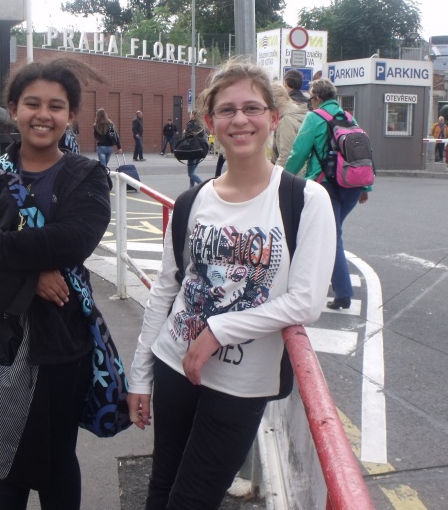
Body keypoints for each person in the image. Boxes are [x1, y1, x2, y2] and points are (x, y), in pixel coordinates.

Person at [127, 58, 336, 510]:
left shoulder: (304, 200)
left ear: (273, 118)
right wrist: (139, 375)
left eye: (252, 108)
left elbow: (306, 302)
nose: (240, 119)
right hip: (174, 361)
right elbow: (166, 290)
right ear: (211, 124)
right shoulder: (192, 201)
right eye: (227, 110)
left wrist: (220, 330)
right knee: (160, 488)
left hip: (241, 382)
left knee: (191, 501)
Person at [0, 57, 111, 510]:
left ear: (71, 115)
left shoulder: (86, 175)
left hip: (61, 339)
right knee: (3, 465)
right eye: (32, 103)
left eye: (56, 106)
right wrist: (29, 275)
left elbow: (72, 241)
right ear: (13, 109)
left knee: (57, 461)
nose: (43, 115)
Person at [285, 78, 369, 310]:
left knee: (331, 236)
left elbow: (299, 152)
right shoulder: (349, 117)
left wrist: (283, 179)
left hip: (327, 184)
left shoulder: (314, 118)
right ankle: (328, 282)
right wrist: (365, 187)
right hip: (353, 185)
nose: (311, 103)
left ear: (318, 98)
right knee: (330, 233)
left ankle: (343, 293)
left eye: (311, 99)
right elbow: (361, 152)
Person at [271, 81, 307, 174]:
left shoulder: (286, 120)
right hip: (305, 172)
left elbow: (286, 154)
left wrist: (273, 176)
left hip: (293, 175)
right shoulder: (300, 113)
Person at [182, 110, 207, 188]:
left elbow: (187, 136)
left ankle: (203, 185)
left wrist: (184, 132)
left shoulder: (191, 124)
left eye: (191, 114)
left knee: (191, 173)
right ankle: (191, 187)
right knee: (193, 171)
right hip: (200, 150)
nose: (190, 115)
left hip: (192, 150)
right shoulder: (201, 125)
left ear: (193, 115)